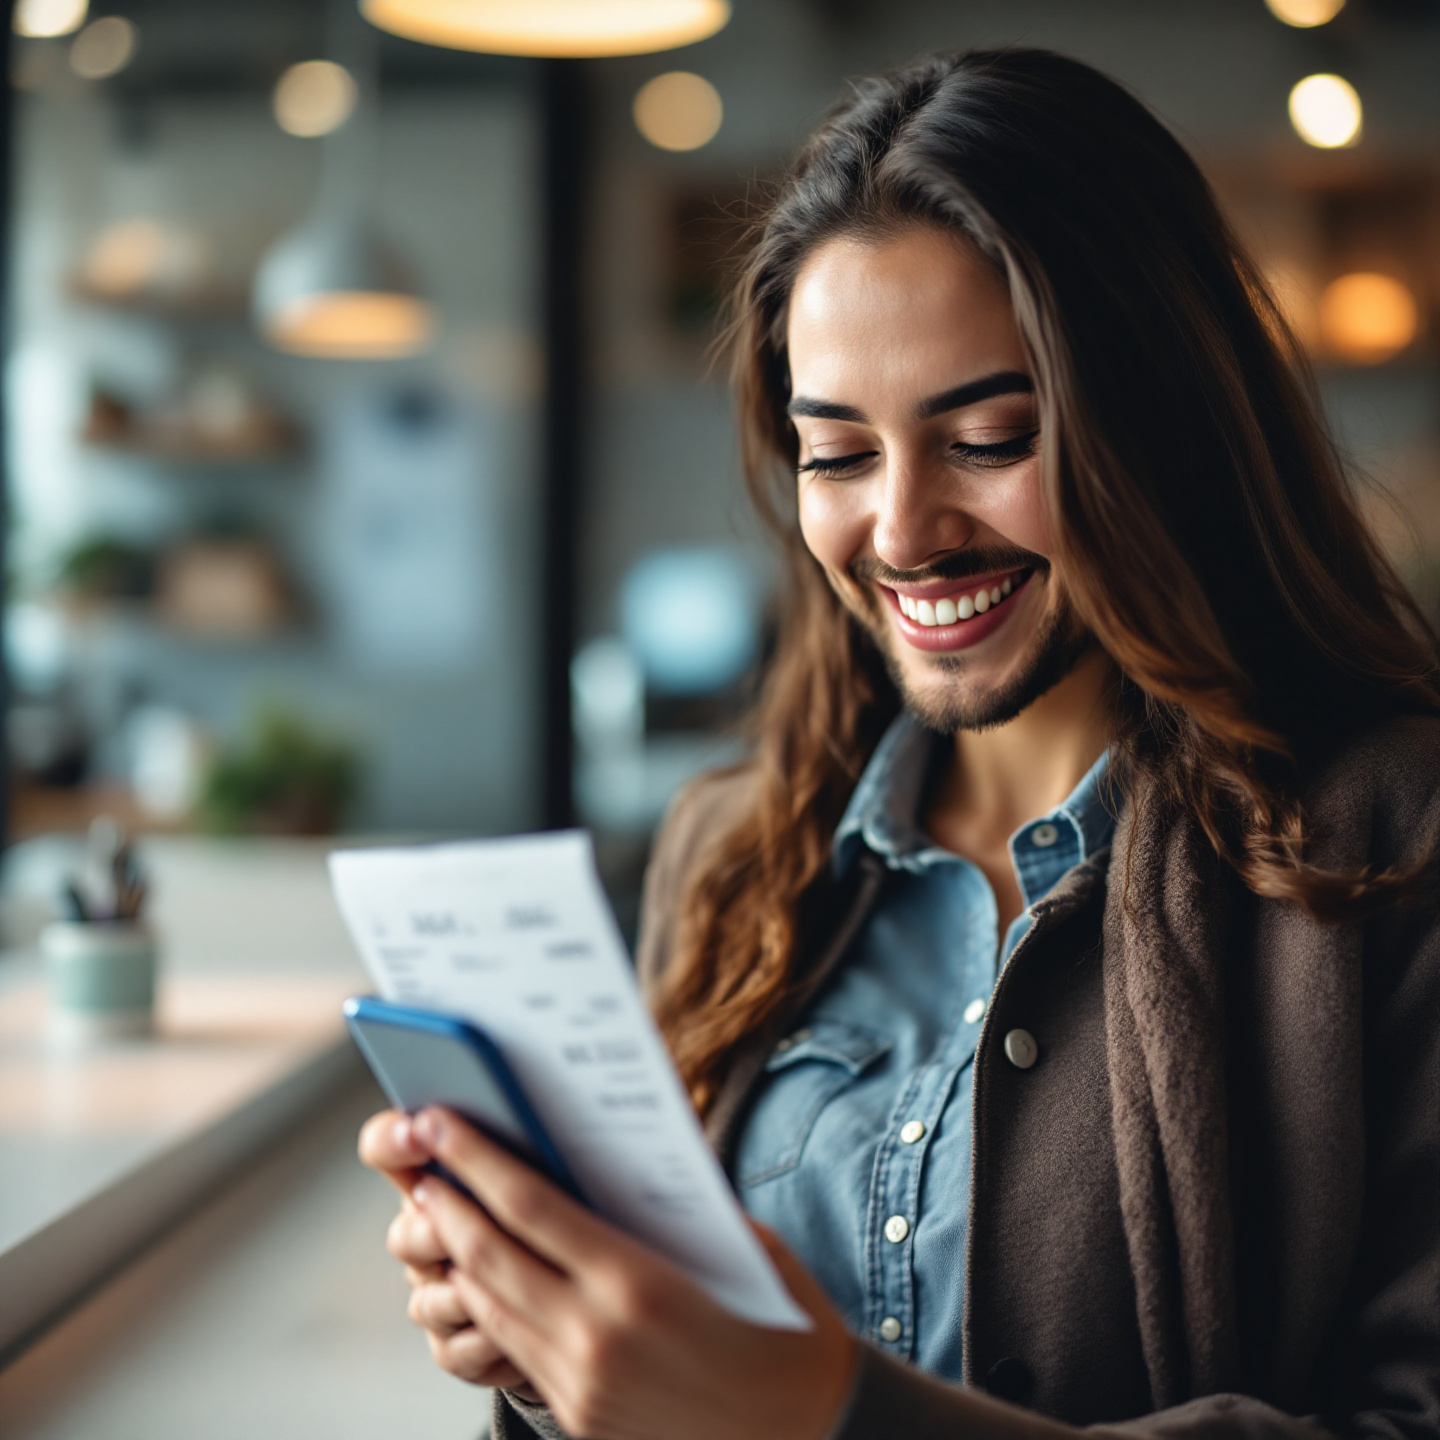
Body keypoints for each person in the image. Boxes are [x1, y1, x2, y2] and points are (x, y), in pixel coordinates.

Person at [360, 49, 1440, 1440]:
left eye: (989, 438)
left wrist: (833, 1412)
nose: (905, 531)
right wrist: (558, 1354)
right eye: (840, 454)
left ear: (1163, 425)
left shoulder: (1392, 849)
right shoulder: (730, 852)